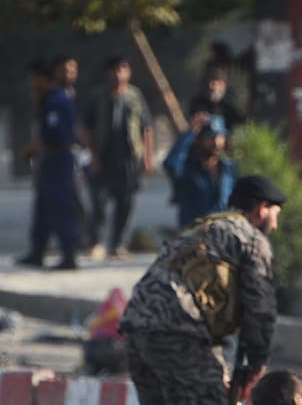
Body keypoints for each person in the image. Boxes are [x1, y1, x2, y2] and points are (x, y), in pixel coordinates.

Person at [120, 173, 285, 405]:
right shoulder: (250, 237)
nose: (275, 222)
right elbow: (260, 309)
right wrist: (254, 364)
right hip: (180, 333)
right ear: (261, 210)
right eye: (275, 212)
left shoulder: (201, 231)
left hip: (136, 331)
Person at [80, 54, 154, 260]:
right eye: (114, 70)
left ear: (128, 72)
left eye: (123, 69)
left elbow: (146, 128)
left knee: (126, 203)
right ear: (107, 73)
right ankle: (96, 242)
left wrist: (147, 156)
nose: (118, 74)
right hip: (103, 155)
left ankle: (118, 244)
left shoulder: (135, 96)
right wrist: (92, 155)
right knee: (99, 202)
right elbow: (87, 128)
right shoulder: (97, 96)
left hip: (129, 157)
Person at [18, 55, 81, 270]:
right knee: (43, 208)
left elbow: (58, 135)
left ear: (41, 78)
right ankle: (37, 251)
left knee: (61, 207)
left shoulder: (57, 101)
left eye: (33, 78)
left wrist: (36, 146)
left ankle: (69, 255)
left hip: (59, 160)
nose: (31, 84)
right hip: (49, 161)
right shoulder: (47, 100)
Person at [165, 114, 236, 227]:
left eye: (220, 137)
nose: (216, 143)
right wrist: (189, 133)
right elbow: (170, 164)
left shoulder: (228, 168)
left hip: (223, 234)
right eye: (211, 137)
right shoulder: (187, 168)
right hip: (194, 235)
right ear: (199, 139)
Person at [188, 65, 246, 129]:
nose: (210, 87)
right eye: (208, 83)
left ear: (222, 85)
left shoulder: (232, 105)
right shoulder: (198, 103)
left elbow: (241, 123)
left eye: (214, 84)